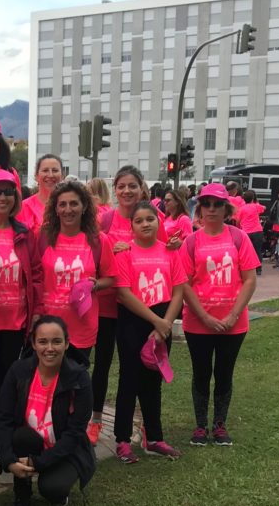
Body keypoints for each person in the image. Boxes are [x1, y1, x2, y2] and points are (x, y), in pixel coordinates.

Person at [0, 315, 95, 506]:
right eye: (43, 341)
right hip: (30, 443)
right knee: (20, 435)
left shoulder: (79, 379)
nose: (50, 348)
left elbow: (75, 433)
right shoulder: (18, 371)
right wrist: (9, 459)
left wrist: (38, 463)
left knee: (53, 489)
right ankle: (22, 500)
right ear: (33, 343)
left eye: (57, 341)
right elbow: (2, 418)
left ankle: (55, 484)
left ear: (67, 344)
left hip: (65, 448)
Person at [180, 182, 259, 447]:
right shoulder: (191, 241)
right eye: (206, 204)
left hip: (233, 323)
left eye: (217, 205)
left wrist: (233, 315)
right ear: (199, 209)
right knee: (201, 374)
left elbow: (249, 280)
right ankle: (201, 426)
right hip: (198, 322)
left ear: (226, 209)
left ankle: (220, 425)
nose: (211, 209)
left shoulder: (239, 237)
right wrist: (204, 316)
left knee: (224, 373)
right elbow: (184, 283)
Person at [0, 169, 40, 462]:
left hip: (14, 319)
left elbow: (35, 274)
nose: (2, 197)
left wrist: (34, 313)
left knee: (4, 379)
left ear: (16, 197)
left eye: (8, 192)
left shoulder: (24, 233)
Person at [113, 201, 185, 462]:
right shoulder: (124, 253)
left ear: (159, 222)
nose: (145, 224)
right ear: (131, 225)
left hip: (163, 319)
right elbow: (123, 292)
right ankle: (122, 440)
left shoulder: (170, 251)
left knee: (153, 381)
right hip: (134, 320)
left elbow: (178, 290)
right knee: (129, 380)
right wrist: (157, 322)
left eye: (150, 219)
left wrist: (165, 322)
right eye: (139, 220)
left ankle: (154, 438)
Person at [88, 167, 144, 444]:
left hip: (137, 305)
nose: (126, 191)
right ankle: (96, 419)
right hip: (108, 304)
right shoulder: (106, 218)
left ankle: (134, 421)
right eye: (121, 186)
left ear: (141, 188)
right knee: (102, 365)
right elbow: (93, 251)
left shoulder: (149, 216)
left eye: (132, 186)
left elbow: (156, 251)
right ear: (115, 189)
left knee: (132, 366)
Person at [36, 179, 115, 368]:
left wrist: (95, 284)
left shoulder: (98, 241)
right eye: (62, 204)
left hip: (82, 327)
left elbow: (111, 278)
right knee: (48, 382)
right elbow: (35, 276)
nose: (68, 209)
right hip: (49, 324)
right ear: (55, 208)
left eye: (74, 203)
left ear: (85, 206)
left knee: (75, 383)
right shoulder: (44, 237)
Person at [19, 153, 63, 232]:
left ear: (62, 176)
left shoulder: (70, 206)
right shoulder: (24, 207)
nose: (50, 175)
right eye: (45, 170)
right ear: (36, 176)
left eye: (55, 170)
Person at [236, 190, 265, 274]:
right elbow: (263, 208)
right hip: (257, 230)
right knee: (257, 250)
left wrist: (239, 228)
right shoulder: (255, 206)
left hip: (246, 231)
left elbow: (238, 220)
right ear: (252, 198)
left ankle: (246, 267)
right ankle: (258, 268)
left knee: (246, 251)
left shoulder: (241, 209)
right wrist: (257, 202)